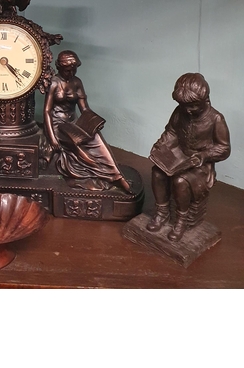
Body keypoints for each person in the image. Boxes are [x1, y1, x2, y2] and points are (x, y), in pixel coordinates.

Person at [147, 73, 230, 241]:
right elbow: (171, 132)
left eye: (193, 106)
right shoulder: (180, 112)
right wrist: (161, 145)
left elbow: (224, 148)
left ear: (206, 100)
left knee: (180, 181)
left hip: (199, 165)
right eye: (184, 106)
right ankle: (162, 212)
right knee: (157, 172)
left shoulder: (216, 119)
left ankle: (181, 220)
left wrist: (204, 155)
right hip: (178, 156)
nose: (188, 110)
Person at [43, 50, 131, 192]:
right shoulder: (54, 82)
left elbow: (84, 109)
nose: (71, 73)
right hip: (58, 125)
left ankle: (117, 176)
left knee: (97, 139)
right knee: (79, 147)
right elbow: (47, 111)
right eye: (67, 70)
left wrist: (93, 122)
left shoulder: (77, 82)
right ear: (60, 67)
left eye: (74, 70)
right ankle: (103, 175)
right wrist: (52, 138)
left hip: (74, 122)